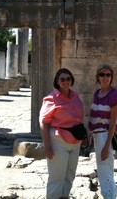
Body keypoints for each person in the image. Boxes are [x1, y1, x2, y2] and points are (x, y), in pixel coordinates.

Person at [39, 68, 86, 199]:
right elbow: (43, 122)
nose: (66, 81)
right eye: (62, 79)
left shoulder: (75, 96)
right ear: (57, 82)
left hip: (75, 142)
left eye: (68, 79)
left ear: (72, 81)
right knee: (56, 178)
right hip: (58, 141)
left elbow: (78, 119)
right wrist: (47, 146)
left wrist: (85, 136)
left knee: (69, 176)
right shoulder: (51, 99)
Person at [88, 64, 117, 199]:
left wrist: (106, 146)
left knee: (105, 173)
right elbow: (95, 116)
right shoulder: (97, 93)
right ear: (98, 77)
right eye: (102, 75)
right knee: (103, 171)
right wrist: (90, 134)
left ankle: (109, 196)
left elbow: (113, 123)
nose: (105, 77)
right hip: (97, 136)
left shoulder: (114, 95)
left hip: (106, 137)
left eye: (108, 75)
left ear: (111, 77)